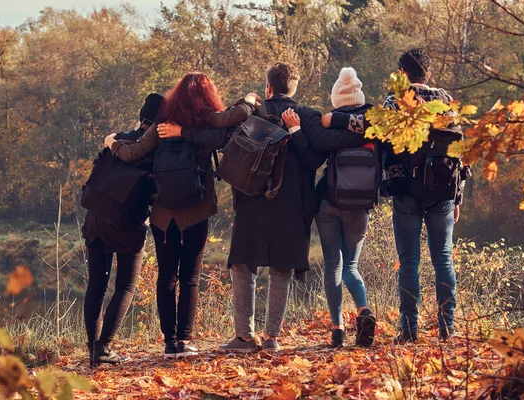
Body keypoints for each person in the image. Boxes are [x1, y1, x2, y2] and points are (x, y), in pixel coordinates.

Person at [160, 63, 327, 352]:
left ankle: (244, 337)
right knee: (281, 269)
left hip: (252, 200)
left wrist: (182, 131)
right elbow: (315, 160)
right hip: (292, 206)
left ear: (268, 88)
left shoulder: (253, 114)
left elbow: (217, 137)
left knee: (242, 266)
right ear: (294, 88)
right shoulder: (309, 116)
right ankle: (272, 338)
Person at [104, 72, 256, 359]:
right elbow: (228, 131)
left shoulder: (163, 124)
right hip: (197, 209)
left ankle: (169, 343)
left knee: (166, 277)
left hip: (164, 212)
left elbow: (134, 152)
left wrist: (112, 144)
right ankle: (184, 342)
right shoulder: (208, 122)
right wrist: (247, 101)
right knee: (190, 277)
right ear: (208, 96)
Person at [282, 67, 377, 347]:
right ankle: (364, 310)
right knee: (351, 266)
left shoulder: (329, 125)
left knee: (333, 266)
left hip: (328, 204)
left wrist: (325, 120)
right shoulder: (372, 125)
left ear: (337, 99)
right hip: (359, 207)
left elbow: (315, 152)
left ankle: (337, 330)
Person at [381, 48, 468, 343]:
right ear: (428, 73)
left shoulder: (394, 102)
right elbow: (461, 153)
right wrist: (458, 196)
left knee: (409, 262)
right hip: (443, 191)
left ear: (403, 74)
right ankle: (448, 327)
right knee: (443, 260)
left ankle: (409, 329)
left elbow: (383, 145)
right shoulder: (446, 103)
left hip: (406, 189)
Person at [83, 93, 164, 367]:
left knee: (96, 285)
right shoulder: (157, 149)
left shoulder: (118, 138)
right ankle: (104, 349)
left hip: (96, 217)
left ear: (141, 115)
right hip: (128, 222)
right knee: (126, 285)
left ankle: (93, 350)